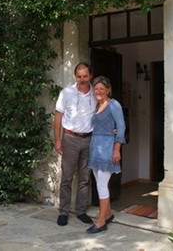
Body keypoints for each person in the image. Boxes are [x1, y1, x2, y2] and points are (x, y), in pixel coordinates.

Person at [53, 62, 95, 226]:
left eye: (85, 76)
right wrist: (57, 140)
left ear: (90, 76)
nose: (82, 79)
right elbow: (58, 116)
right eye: (79, 76)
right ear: (75, 76)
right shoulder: (67, 93)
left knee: (85, 178)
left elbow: (104, 111)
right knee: (67, 177)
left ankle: (81, 211)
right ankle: (63, 212)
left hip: (89, 139)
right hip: (70, 138)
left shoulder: (96, 93)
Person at [86, 76, 126, 234]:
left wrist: (117, 149)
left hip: (107, 148)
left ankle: (101, 221)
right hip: (96, 148)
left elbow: (121, 127)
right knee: (99, 183)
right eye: (96, 89)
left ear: (108, 90)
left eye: (101, 88)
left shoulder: (113, 104)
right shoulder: (97, 106)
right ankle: (108, 214)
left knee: (102, 185)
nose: (98, 91)